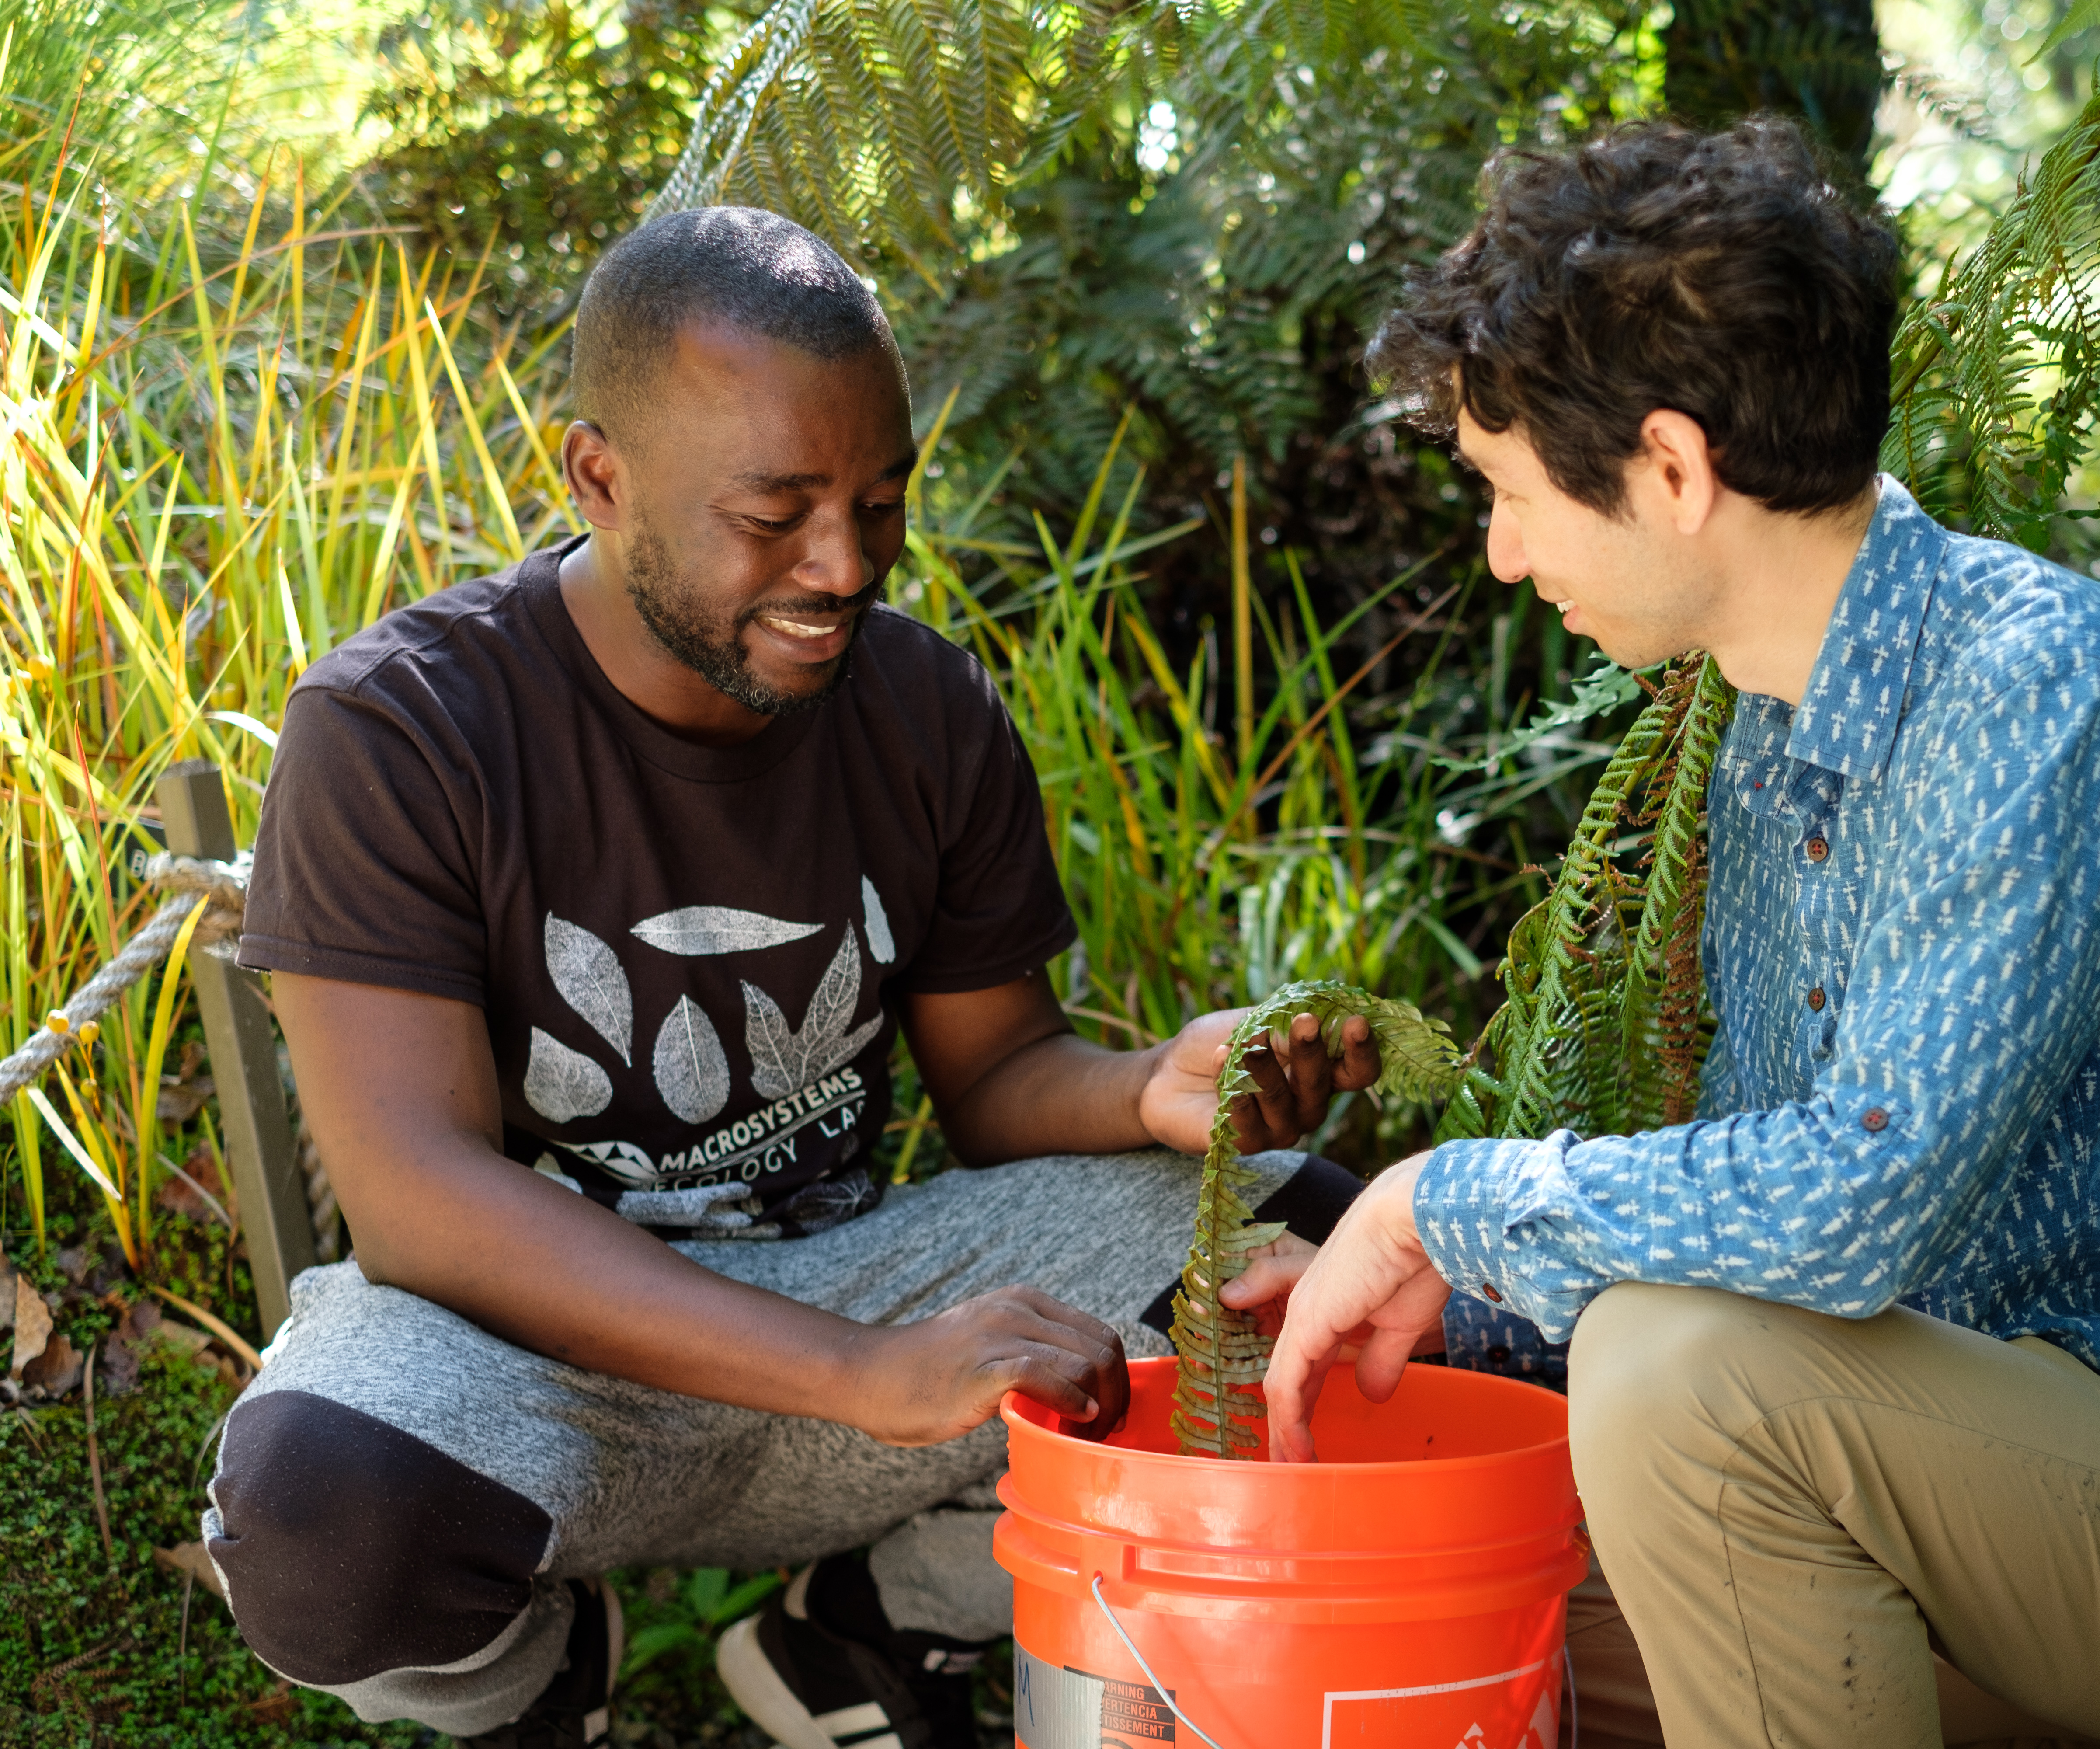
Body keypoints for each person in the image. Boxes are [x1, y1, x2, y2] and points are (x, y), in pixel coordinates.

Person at [1232, 117, 2100, 1749]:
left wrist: (1449, 1199)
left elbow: (1855, 1208)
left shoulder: (2038, 687)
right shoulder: (1769, 730)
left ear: (1671, 468)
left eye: (1509, 494)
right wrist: (1451, 1297)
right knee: (1395, 1605)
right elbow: (1763, 1228)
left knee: (1667, 1371)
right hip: (1932, 1543)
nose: (1505, 553)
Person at [198, 206, 1382, 1749]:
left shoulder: (922, 707)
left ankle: (876, 1639)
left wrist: (1146, 1087)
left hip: (854, 1287)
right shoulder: (402, 730)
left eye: (880, 502)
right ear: (599, 474)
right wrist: (863, 1371)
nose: (844, 565)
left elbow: (1000, 1083)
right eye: (776, 512)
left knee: (1305, 1245)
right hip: (534, 1358)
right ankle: (537, 1690)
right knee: (317, 1519)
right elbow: (418, 1202)